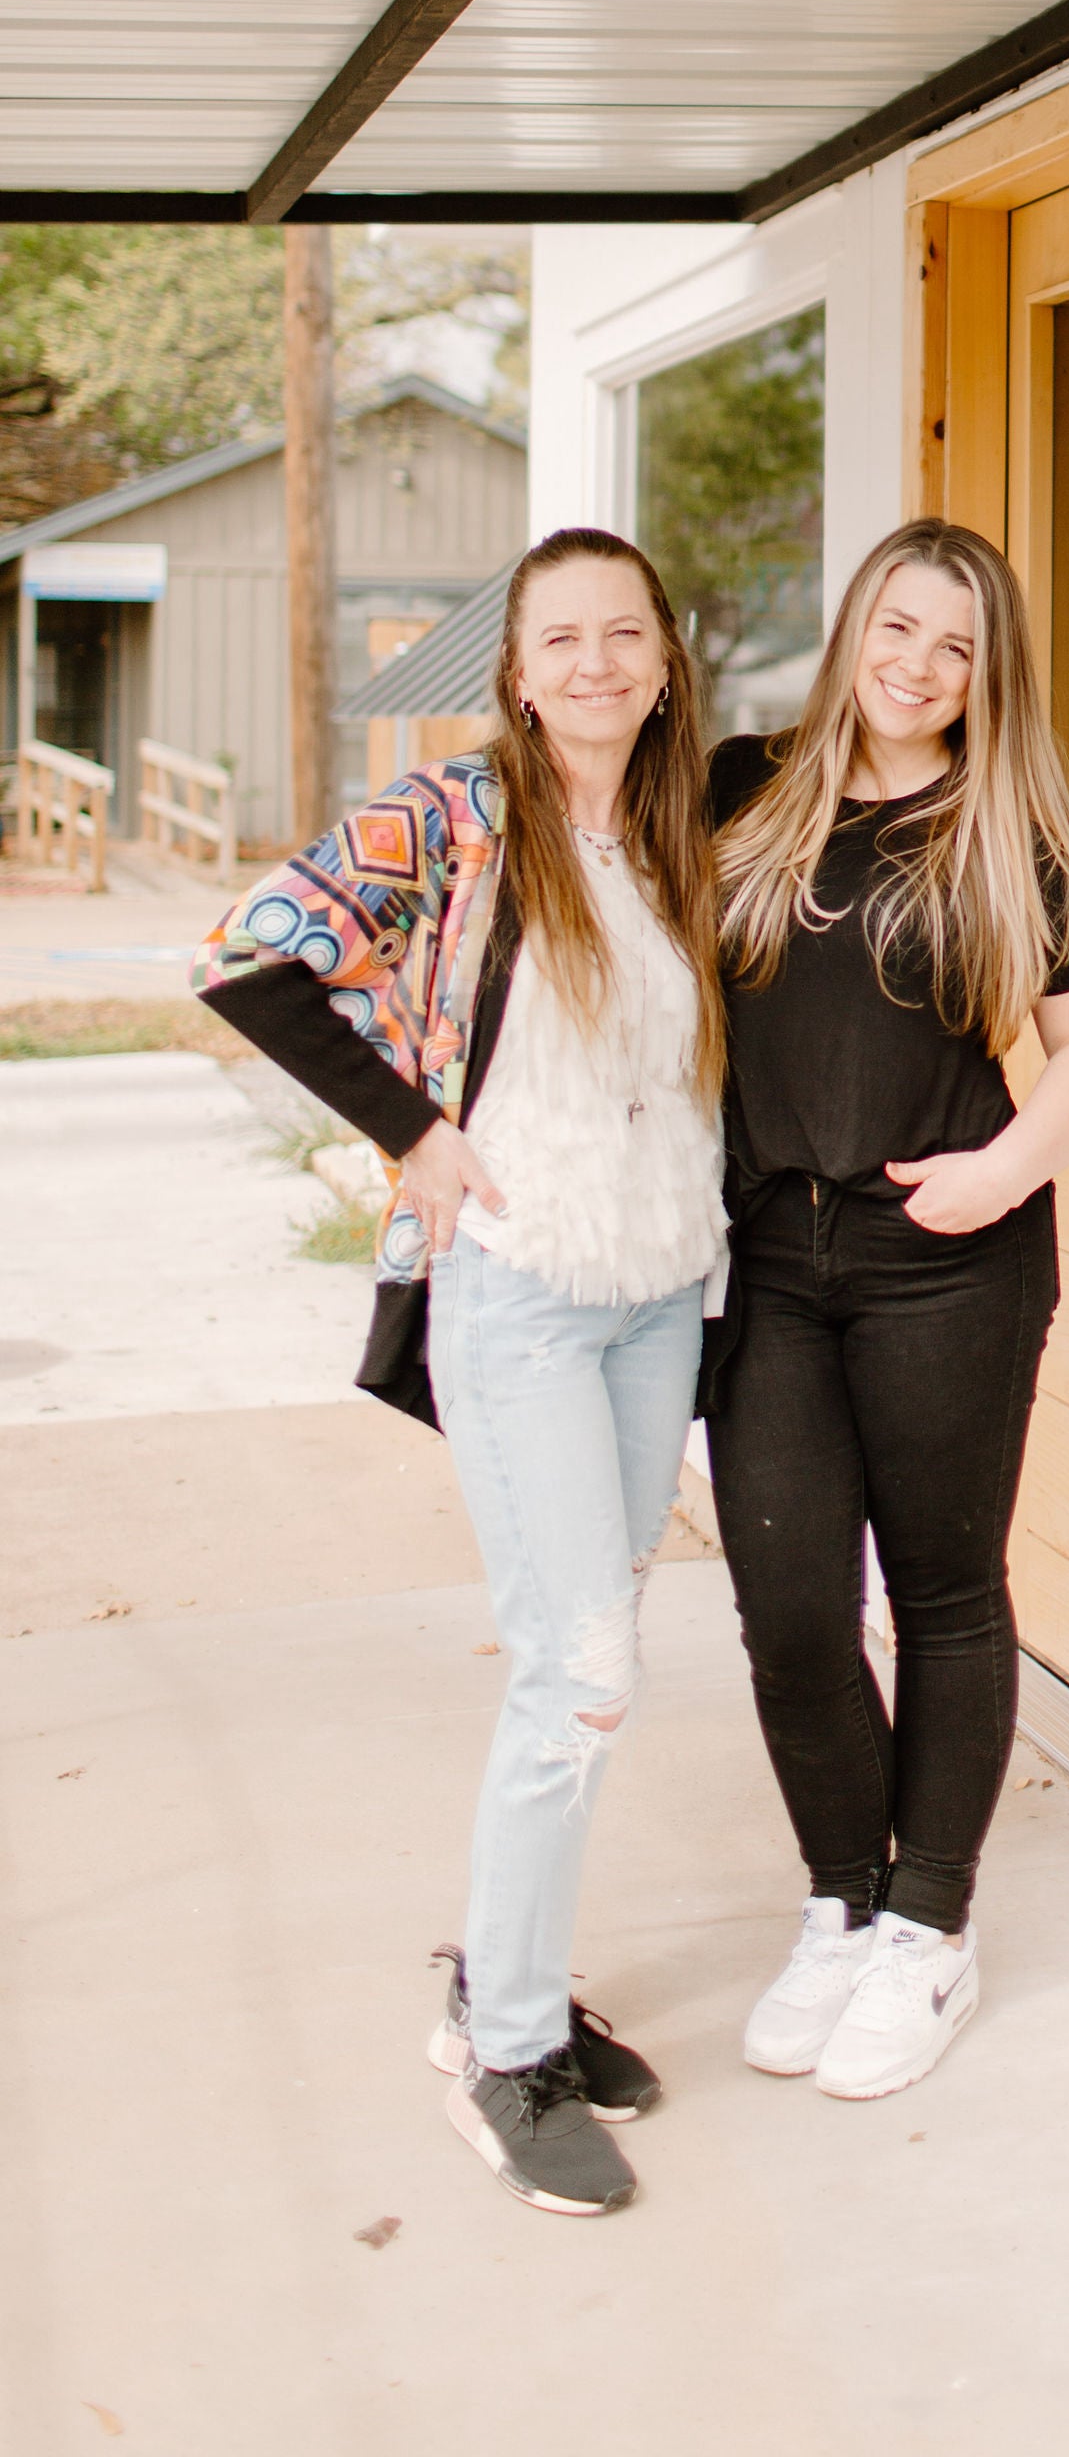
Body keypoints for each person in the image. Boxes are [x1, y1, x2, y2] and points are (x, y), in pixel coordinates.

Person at [194, 528, 727, 2219]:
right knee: (575, 1667)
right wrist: (410, 1134)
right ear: (516, 666)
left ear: (662, 658)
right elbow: (249, 954)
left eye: (621, 635)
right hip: (523, 1291)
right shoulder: (451, 816)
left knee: (598, 1653)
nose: (592, 664)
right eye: (558, 638)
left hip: (656, 1290)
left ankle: (509, 1971)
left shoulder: (671, 825)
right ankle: (507, 2051)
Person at [707, 517, 1069, 2101]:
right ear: (852, 630)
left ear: (985, 671)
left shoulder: (1011, 830)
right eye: (898, 627)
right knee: (792, 1604)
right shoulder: (745, 790)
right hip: (770, 1263)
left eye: (954, 645)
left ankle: (931, 1930)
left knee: (947, 1593)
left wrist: (1000, 1177)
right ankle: (846, 1900)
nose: (918, 665)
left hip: (945, 1258)